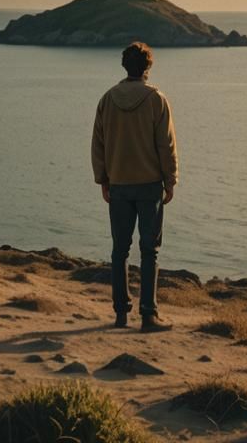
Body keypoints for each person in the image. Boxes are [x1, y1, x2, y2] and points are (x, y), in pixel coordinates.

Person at [91, 41, 178, 332]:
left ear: (124, 66)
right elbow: (166, 146)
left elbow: (98, 143)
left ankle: (120, 313)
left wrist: (102, 178)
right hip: (150, 184)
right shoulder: (156, 99)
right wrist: (171, 180)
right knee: (149, 250)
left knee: (120, 250)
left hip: (119, 183)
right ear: (148, 67)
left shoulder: (107, 99)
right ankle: (148, 315)